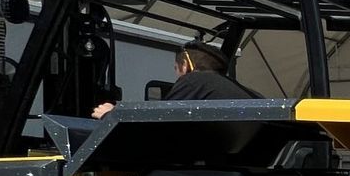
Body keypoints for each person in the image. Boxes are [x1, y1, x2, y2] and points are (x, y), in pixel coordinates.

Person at [92, 41, 257, 118]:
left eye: (175, 69)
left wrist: (111, 114)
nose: (177, 75)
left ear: (184, 65)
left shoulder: (194, 80)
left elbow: (159, 122)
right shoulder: (243, 91)